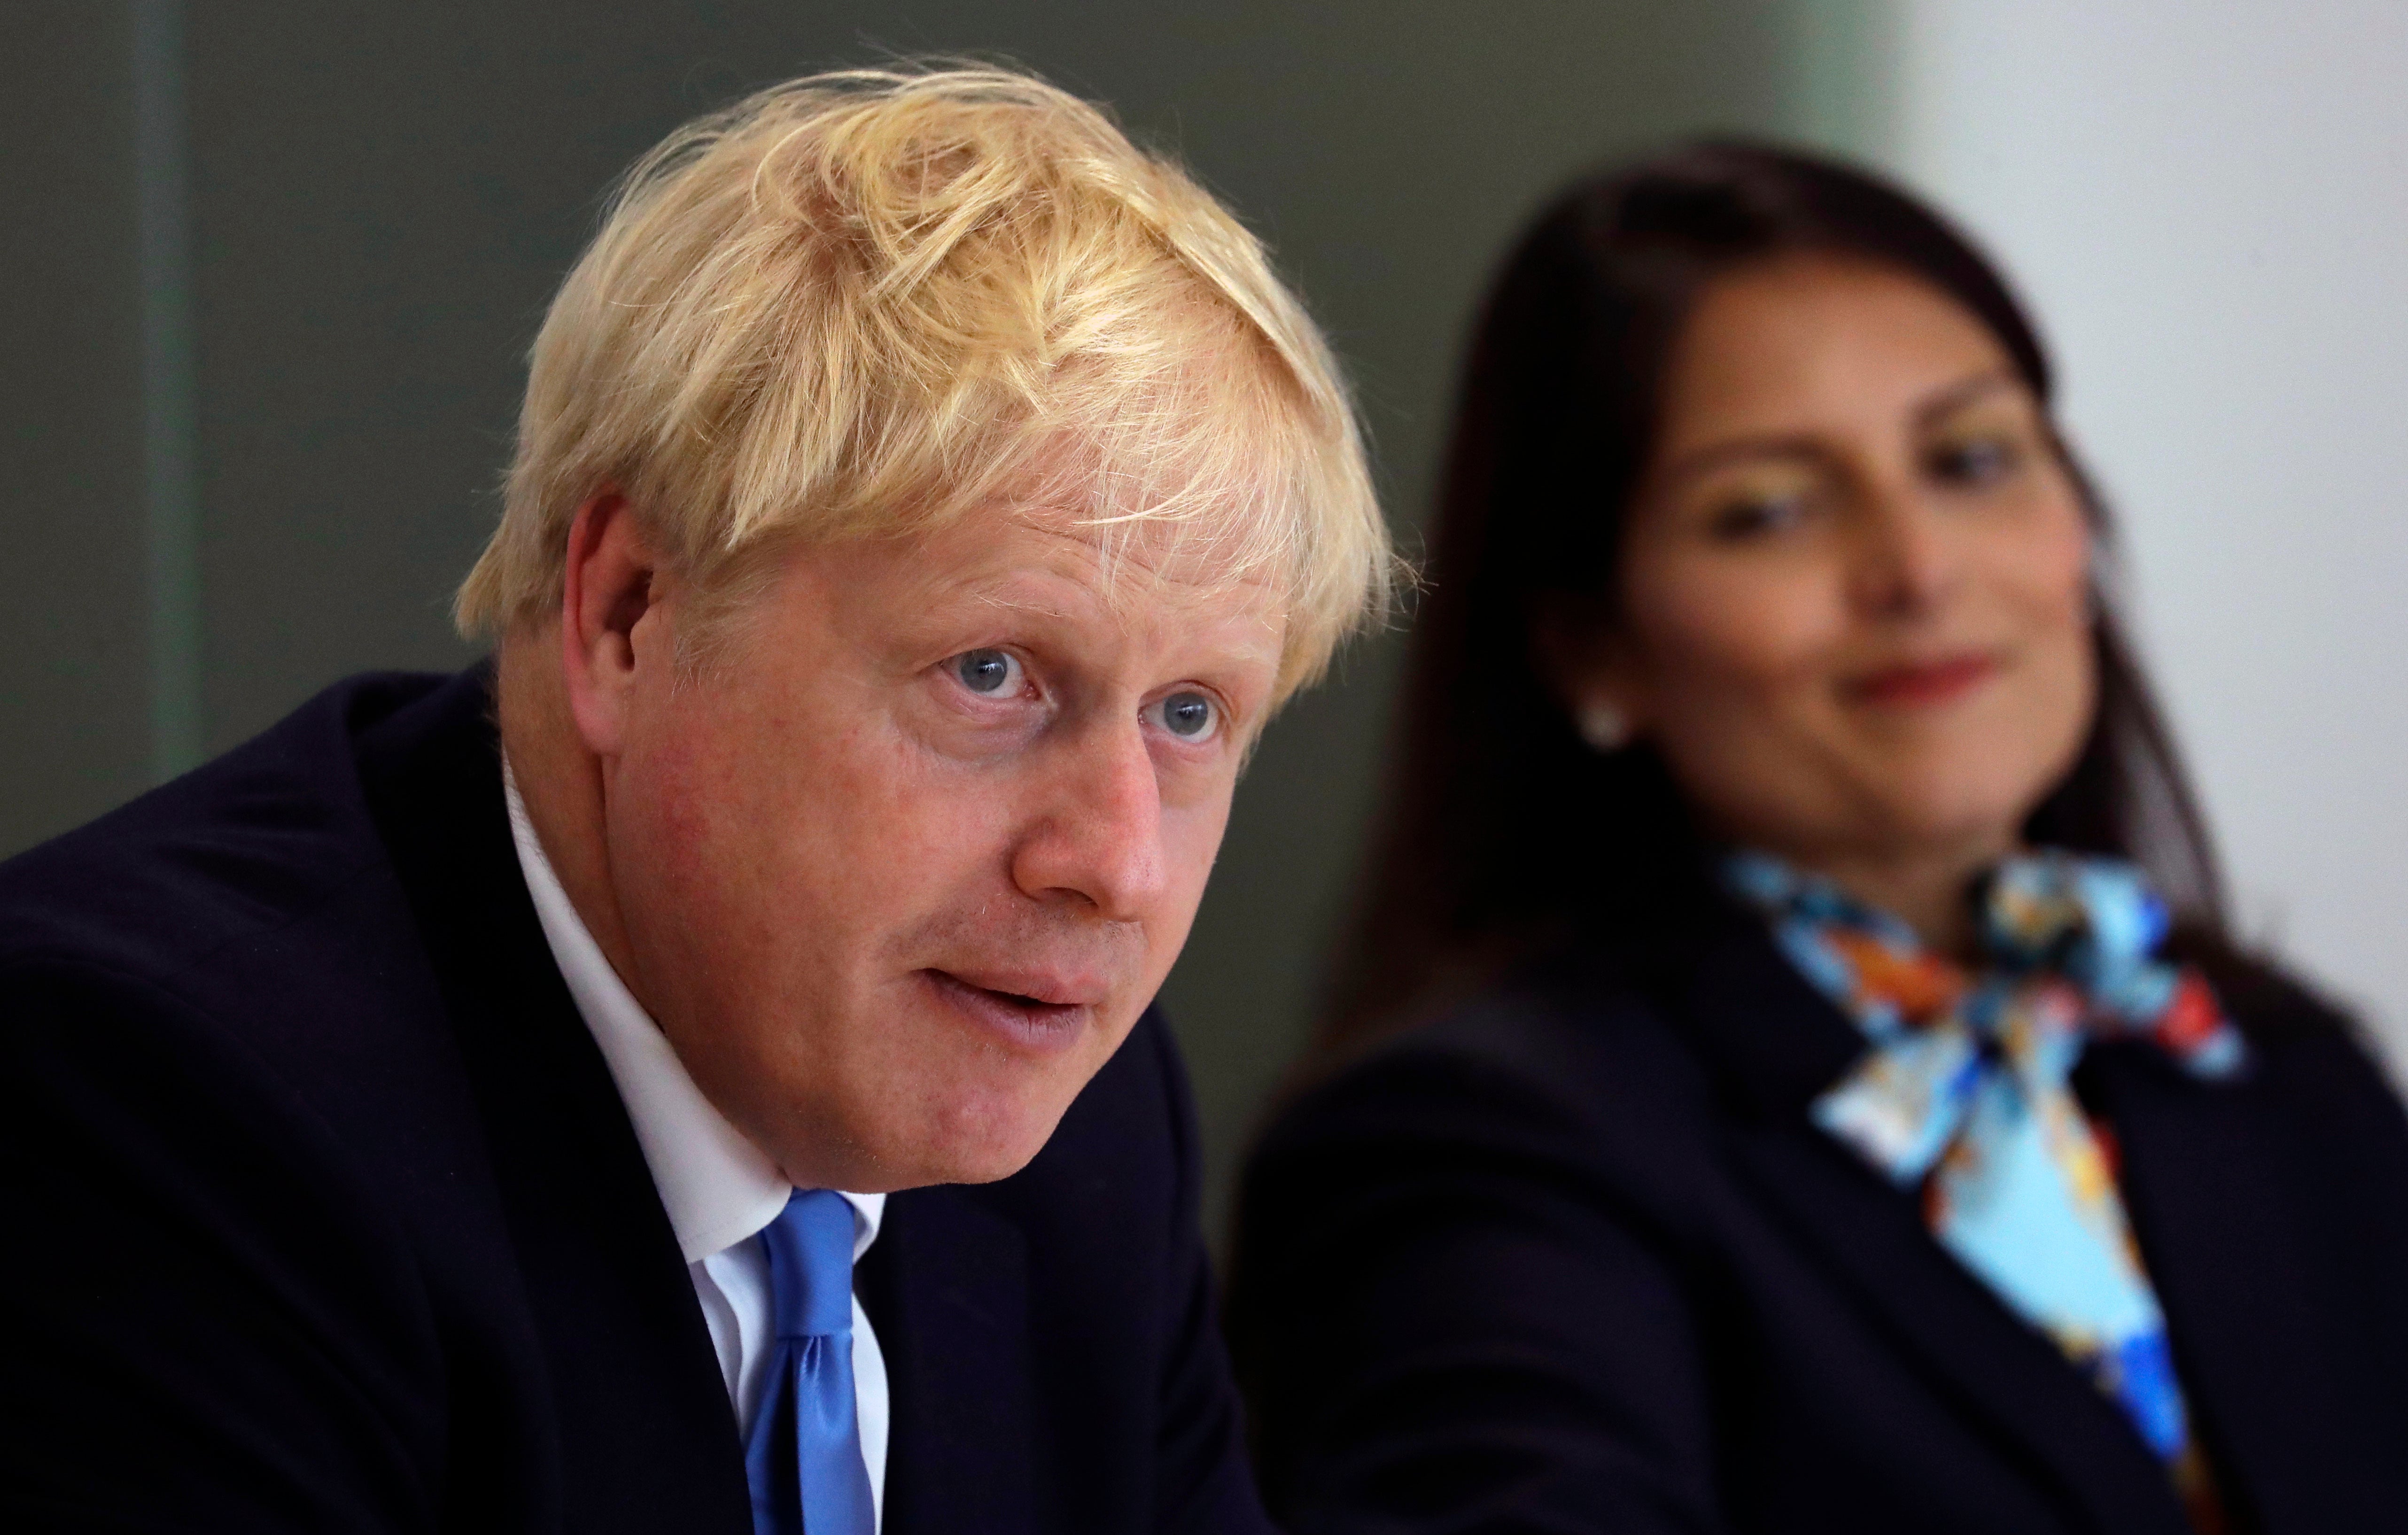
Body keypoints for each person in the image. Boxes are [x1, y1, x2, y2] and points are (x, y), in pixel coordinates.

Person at [0, 66, 1390, 1534]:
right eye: (991, 673)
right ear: (628, 613)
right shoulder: (148, 1110)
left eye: (1191, 714)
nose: (1114, 862)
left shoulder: (1072, 1125)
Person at [1227, 142, 2408, 1535]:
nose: (1916, 567)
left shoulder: (2260, 1061)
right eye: (1770, 509)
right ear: (1593, 644)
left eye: (1972, 458)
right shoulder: (1473, 1149)